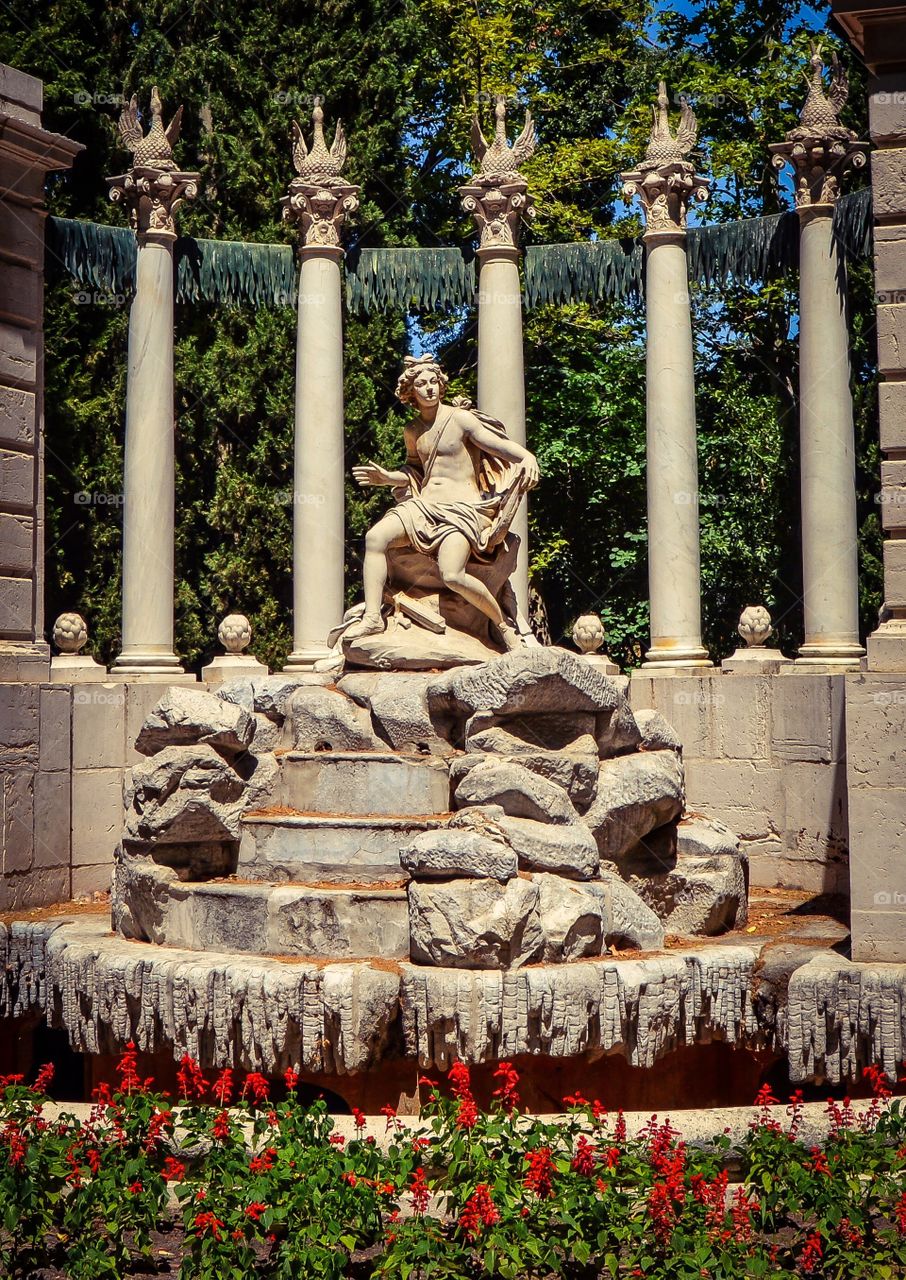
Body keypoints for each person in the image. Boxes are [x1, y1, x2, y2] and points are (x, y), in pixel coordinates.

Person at [347, 354, 539, 651]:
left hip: (462, 511)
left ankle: (503, 626)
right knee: (375, 538)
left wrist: (526, 456)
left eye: (433, 381)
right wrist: (388, 478)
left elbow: (497, 446)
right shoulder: (412, 431)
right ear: (411, 391)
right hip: (423, 506)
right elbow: (415, 472)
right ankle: (373, 616)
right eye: (421, 384)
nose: (429, 388)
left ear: (441, 384)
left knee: (452, 574)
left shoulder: (460, 419)